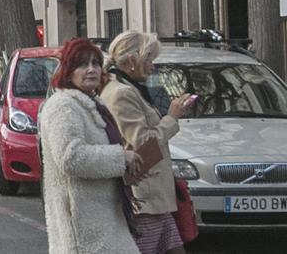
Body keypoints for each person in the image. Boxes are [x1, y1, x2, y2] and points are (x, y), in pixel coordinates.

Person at [38, 37, 141, 254]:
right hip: (83, 226)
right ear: (68, 70)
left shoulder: (91, 102)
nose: (91, 70)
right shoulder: (63, 106)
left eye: (95, 63)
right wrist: (120, 158)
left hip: (103, 219)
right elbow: (70, 157)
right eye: (83, 64)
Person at [101, 31, 192, 254]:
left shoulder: (130, 88)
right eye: (149, 60)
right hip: (144, 199)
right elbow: (142, 142)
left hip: (154, 199)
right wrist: (171, 117)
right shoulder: (122, 93)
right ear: (133, 60)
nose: (153, 67)